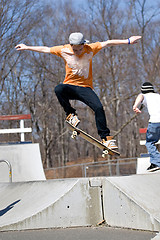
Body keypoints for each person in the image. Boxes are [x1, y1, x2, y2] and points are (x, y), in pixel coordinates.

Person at [15, 32, 141, 150]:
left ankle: (105, 138)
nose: (78, 52)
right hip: (69, 87)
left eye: (80, 49)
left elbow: (108, 42)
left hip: (85, 88)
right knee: (59, 89)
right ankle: (70, 114)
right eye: (75, 50)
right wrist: (27, 47)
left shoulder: (91, 48)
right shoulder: (63, 50)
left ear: (83, 45)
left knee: (98, 108)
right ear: (71, 46)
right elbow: (46, 49)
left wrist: (128, 41)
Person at [133, 82, 160, 172]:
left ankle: (157, 162)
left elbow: (140, 96)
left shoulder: (144, 95)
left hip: (155, 122)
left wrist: (135, 105)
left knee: (150, 142)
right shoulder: (158, 96)